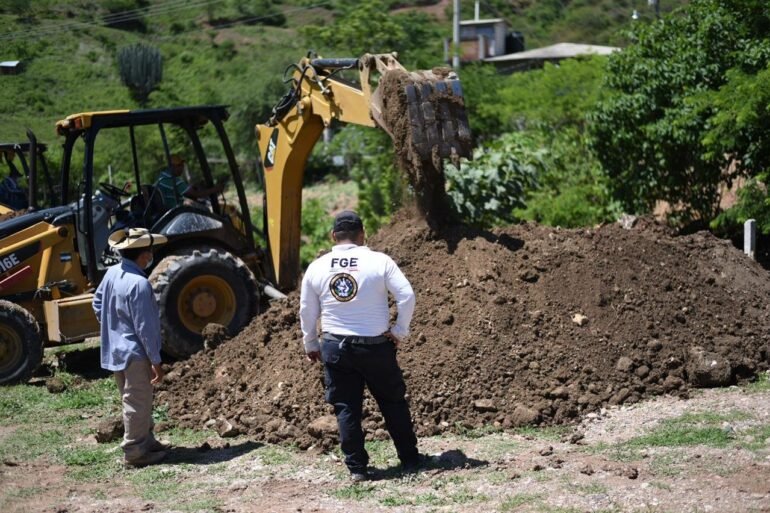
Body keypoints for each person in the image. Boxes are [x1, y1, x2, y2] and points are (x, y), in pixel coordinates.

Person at [299, 210, 421, 482]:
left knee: (346, 408)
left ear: (333, 236)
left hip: (334, 347)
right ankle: (410, 460)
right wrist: (399, 331)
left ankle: (357, 469)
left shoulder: (317, 267)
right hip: (376, 347)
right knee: (393, 403)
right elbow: (407, 296)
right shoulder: (379, 261)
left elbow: (307, 310)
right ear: (362, 234)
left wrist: (310, 343)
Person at [93, 228, 171, 468]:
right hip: (135, 353)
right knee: (137, 401)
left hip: (116, 350)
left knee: (135, 398)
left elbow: (97, 303)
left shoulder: (112, 273)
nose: (151, 257)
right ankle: (135, 452)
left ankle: (146, 440)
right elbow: (145, 328)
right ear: (145, 255)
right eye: (150, 253)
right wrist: (155, 360)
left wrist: (113, 326)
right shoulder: (140, 284)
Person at [154, 154, 224, 210]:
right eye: (180, 165)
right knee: (205, 210)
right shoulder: (173, 180)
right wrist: (216, 189)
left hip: (167, 208)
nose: (182, 168)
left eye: (182, 165)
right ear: (173, 166)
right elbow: (196, 194)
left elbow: (184, 191)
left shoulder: (162, 175)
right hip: (175, 211)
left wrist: (191, 187)